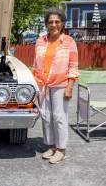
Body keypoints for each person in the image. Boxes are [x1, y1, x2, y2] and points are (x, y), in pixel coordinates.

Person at [32, 8, 79, 164]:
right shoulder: (40, 41)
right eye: (50, 22)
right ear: (46, 24)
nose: (54, 24)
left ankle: (61, 149)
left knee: (59, 117)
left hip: (60, 84)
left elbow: (73, 66)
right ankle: (52, 146)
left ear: (62, 24)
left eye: (57, 21)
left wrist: (70, 87)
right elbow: (35, 64)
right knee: (46, 116)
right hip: (42, 84)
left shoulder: (69, 42)